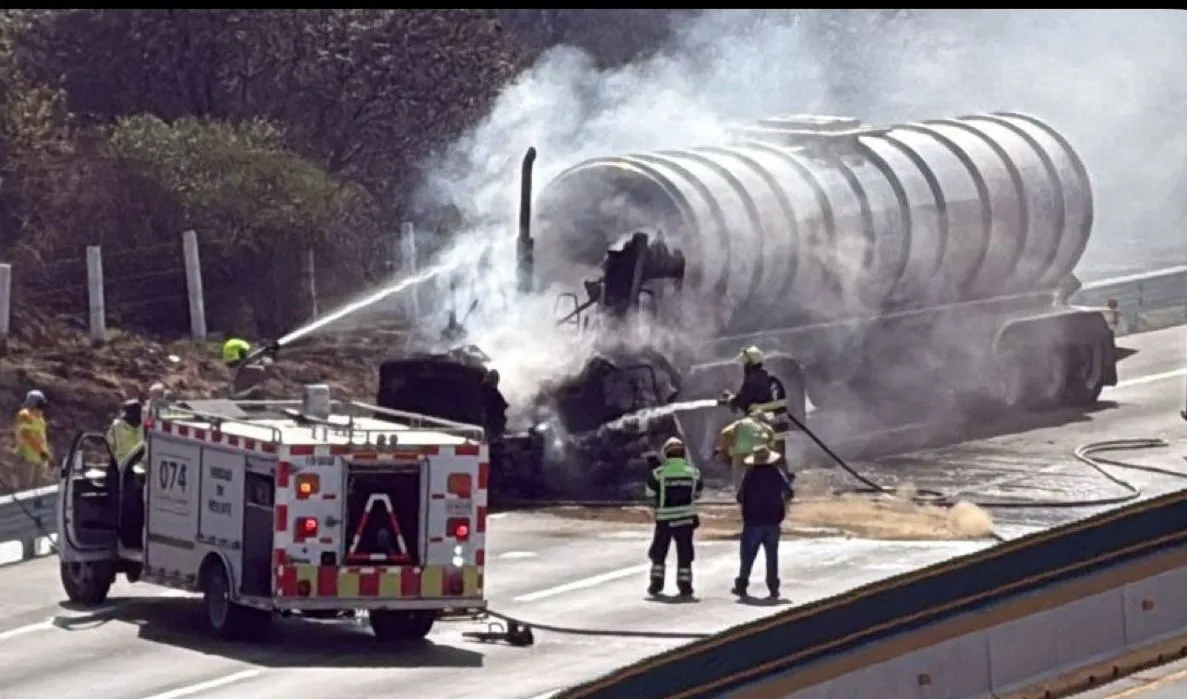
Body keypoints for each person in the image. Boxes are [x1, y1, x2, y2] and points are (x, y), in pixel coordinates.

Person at [645, 436, 704, 598]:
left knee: (659, 552)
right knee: (685, 553)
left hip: (664, 520)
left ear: (666, 454)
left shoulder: (657, 474)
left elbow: (649, 494)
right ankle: (685, 586)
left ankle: (656, 584)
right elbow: (697, 494)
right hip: (686, 520)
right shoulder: (695, 473)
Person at [733, 444, 794, 600]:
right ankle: (773, 588)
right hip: (773, 521)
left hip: (753, 522)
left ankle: (742, 585)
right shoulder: (776, 473)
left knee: (747, 556)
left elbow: (740, 497)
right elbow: (789, 492)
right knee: (772, 557)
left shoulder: (749, 475)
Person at [719, 345, 795, 458]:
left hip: (762, 426)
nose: (743, 367)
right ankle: (783, 474)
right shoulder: (773, 379)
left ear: (749, 365)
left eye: (744, 365)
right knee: (779, 456)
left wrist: (729, 399)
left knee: (762, 457)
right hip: (780, 425)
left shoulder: (751, 381)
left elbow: (743, 401)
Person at [717, 407, 776, 491]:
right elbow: (771, 445)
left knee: (738, 474)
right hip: (756, 453)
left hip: (738, 451)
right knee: (754, 474)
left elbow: (725, 432)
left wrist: (731, 445)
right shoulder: (766, 427)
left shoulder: (740, 423)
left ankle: (739, 494)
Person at [13, 390, 50, 486]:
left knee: (38, 488)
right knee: (25, 488)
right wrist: (41, 452)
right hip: (28, 458)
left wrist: (45, 455)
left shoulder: (40, 418)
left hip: (39, 458)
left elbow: (42, 437)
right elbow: (25, 435)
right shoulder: (25, 415)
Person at [107, 399, 144, 464]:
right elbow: (111, 444)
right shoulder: (118, 425)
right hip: (123, 461)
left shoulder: (143, 427)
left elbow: (110, 444)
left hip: (136, 463)